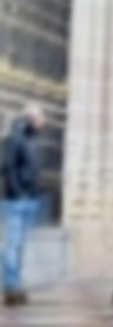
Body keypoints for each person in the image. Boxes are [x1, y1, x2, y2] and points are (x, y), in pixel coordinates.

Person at [1, 104, 45, 306]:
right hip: (17, 199)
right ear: (31, 119)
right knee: (13, 244)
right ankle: (11, 286)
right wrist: (18, 192)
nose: (43, 122)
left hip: (30, 198)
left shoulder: (32, 139)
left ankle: (15, 283)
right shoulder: (16, 139)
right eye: (41, 118)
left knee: (19, 246)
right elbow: (7, 167)